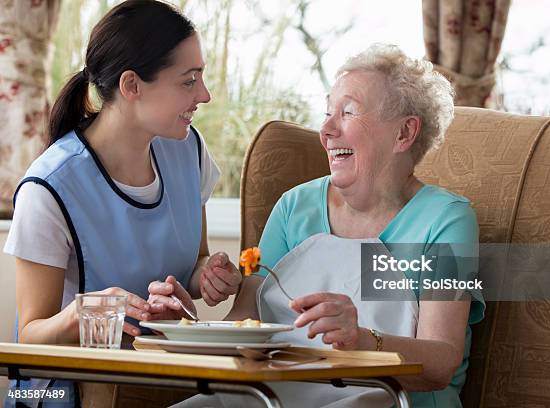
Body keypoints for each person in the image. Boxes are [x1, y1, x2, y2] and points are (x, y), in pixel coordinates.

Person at [176, 43, 485, 408]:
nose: (325, 130)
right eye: (327, 113)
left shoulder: (446, 220)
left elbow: (441, 362)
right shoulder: (295, 207)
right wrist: (188, 325)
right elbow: (247, 321)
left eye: (348, 112)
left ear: (404, 134)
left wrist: (361, 340)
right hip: (277, 398)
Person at [3, 1, 241, 407]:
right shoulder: (50, 188)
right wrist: (84, 313)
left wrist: (209, 275)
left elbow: (195, 265)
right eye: (189, 80)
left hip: (159, 375)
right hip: (71, 390)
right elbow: (32, 336)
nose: (205, 94)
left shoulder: (189, 152)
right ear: (132, 86)